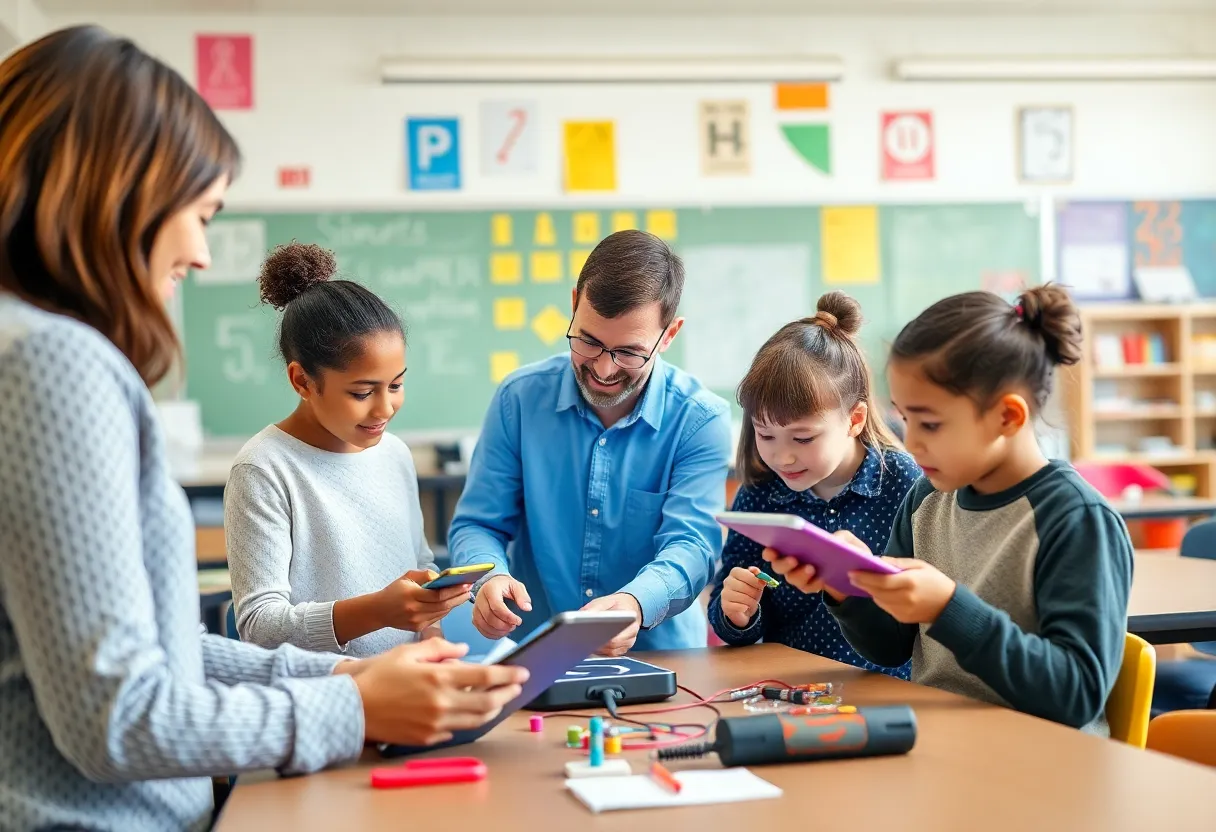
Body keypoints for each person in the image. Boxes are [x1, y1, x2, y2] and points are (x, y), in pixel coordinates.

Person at [0, 26, 525, 831]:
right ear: (118, 192)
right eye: (198, 212)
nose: (203, 254)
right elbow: (118, 718)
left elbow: (161, 655)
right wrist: (352, 709)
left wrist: (350, 685)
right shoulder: (52, 361)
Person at [765, 286, 1132, 733]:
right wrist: (846, 587)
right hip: (941, 748)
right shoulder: (926, 500)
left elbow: (1076, 694)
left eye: (931, 423)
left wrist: (948, 609)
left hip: (1040, 765)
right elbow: (891, 647)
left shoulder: (1073, 518)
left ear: (1007, 417)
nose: (912, 441)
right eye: (905, 418)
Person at [448, 230, 732, 654]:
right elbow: (478, 524)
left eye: (629, 352)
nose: (603, 368)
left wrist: (637, 602)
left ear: (669, 335)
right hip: (539, 655)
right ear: (575, 302)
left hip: (665, 659)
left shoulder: (699, 420)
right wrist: (489, 578)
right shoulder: (520, 400)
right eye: (589, 341)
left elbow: (692, 545)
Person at [224, 242, 469, 657]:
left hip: (407, 690)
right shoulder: (263, 469)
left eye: (396, 385)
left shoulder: (394, 454)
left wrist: (431, 636)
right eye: (362, 392)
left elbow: (420, 562)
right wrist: (378, 611)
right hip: (321, 699)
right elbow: (259, 627)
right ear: (302, 381)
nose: (385, 407)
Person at [706, 292, 919, 678]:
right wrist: (735, 614)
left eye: (803, 439)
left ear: (854, 420)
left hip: (885, 691)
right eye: (765, 435)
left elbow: (923, 617)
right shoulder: (761, 491)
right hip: (786, 691)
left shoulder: (903, 484)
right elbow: (730, 618)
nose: (783, 457)